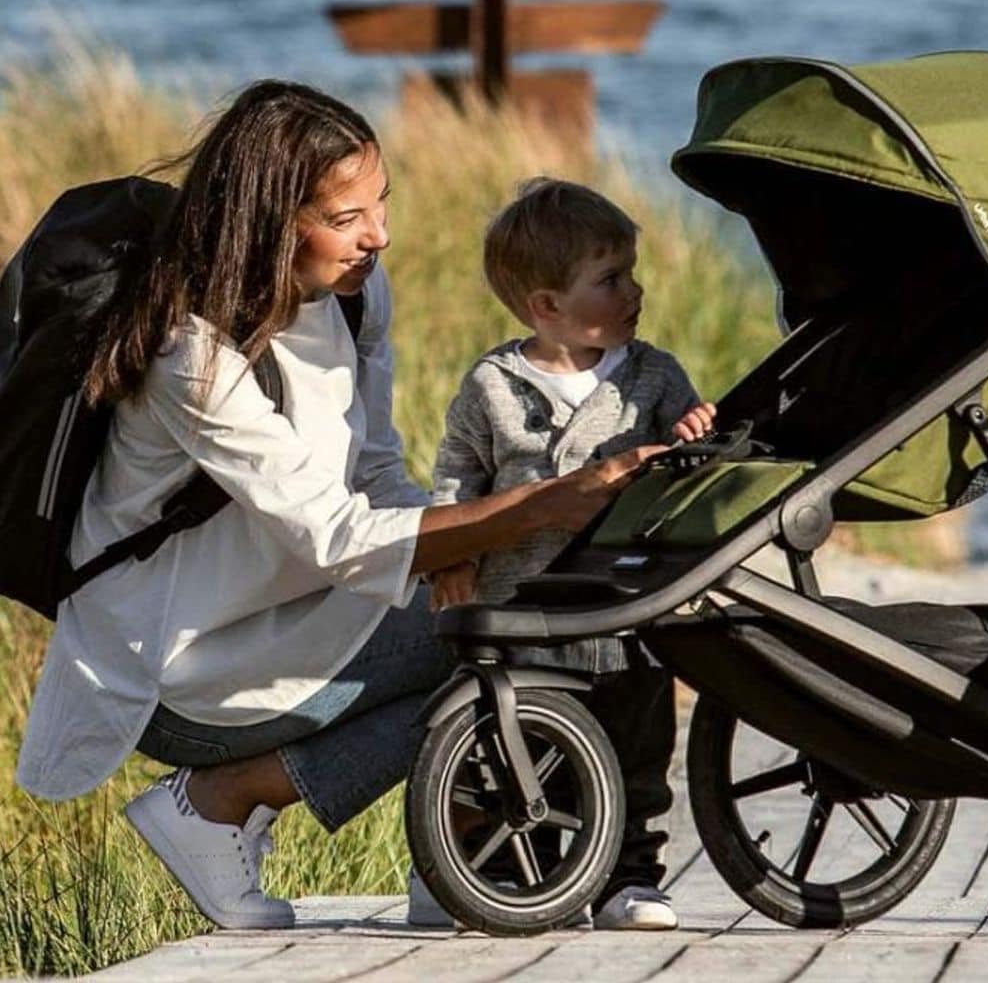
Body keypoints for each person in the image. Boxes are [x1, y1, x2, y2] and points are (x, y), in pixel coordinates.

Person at [14, 83, 657, 931]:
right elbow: (334, 536)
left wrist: (463, 547)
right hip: (178, 669)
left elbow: (377, 473)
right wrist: (535, 506)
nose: (378, 235)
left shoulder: (354, 296)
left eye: (380, 204)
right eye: (346, 217)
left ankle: (454, 860)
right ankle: (221, 799)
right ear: (270, 220)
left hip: (286, 616)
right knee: (504, 623)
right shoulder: (189, 352)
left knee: (507, 599)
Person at [424, 178, 715, 930]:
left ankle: (630, 877)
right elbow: (458, 471)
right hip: (523, 604)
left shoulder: (654, 376)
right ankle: (525, 876)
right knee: (515, 747)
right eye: (610, 279)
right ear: (547, 307)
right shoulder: (494, 385)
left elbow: (694, 460)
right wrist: (447, 553)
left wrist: (697, 434)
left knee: (635, 746)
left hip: (625, 603)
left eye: (631, 272)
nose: (634, 290)